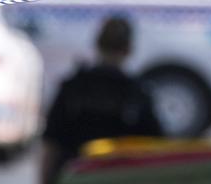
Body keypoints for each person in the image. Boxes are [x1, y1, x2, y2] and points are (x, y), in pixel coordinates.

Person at [40, 16, 164, 184]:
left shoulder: (73, 87)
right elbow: (156, 150)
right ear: (129, 49)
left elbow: (51, 145)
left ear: (97, 44)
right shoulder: (137, 93)